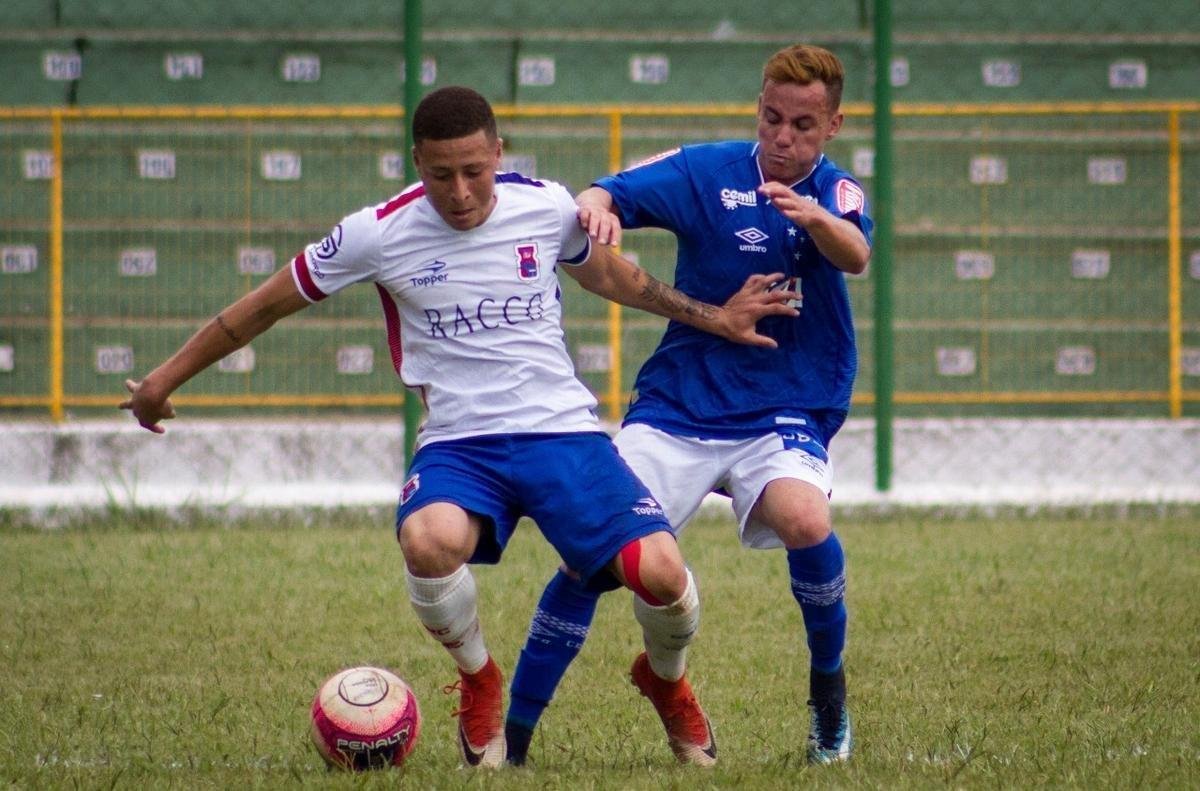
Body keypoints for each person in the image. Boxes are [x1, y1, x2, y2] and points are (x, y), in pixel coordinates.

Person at [120, 86, 800, 769]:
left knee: (662, 574)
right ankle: (479, 677)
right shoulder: (376, 232)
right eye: (441, 174)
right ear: (417, 163)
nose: (461, 191)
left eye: (475, 171)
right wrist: (161, 382)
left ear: (497, 154)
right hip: (459, 446)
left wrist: (716, 317)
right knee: (427, 538)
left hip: (563, 434)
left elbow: (617, 279)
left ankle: (667, 679)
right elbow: (260, 309)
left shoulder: (546, 206)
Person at [505, 44, 872, 767]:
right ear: (757, 110)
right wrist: (599, 210)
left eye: (803, 124)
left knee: (805, 516)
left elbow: (855, 252)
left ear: (832, 126)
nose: (784, 136)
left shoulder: (838, 191)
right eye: (772, 117)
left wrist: (810, 218)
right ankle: (510, 740)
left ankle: (828, 696)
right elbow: (608, 190)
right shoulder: (710, 170)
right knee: (594, 556)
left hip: (784, 406)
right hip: (679, 403)